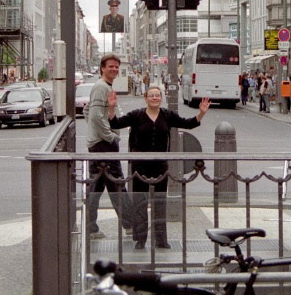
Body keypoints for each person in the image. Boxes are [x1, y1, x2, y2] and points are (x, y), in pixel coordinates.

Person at [108, 85, 210, 250]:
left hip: (160, 166)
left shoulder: (167, 115)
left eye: (157, 95)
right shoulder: (137, 115)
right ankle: (140, 239)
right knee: (140, 203)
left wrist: (201, 113)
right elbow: (116, 123)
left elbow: (188, 123)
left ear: (160, 98)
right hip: (139, 166)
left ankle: (161, 239)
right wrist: (111, 108)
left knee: (160, 203)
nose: (155, 98)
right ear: (146, 98)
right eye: (151, 95)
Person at [86, 53, 133, 240]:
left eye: (116, 67)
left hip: (97, 144)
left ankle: (91, 227)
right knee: (117, 184)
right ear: (102, 68)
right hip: (103, 145)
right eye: (110, 66)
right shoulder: (101, 87)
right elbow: (96, 116)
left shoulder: (104, 86)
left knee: (96, 186)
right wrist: (111, 136)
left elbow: (89, 110)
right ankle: (132, 225)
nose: (114, 69)